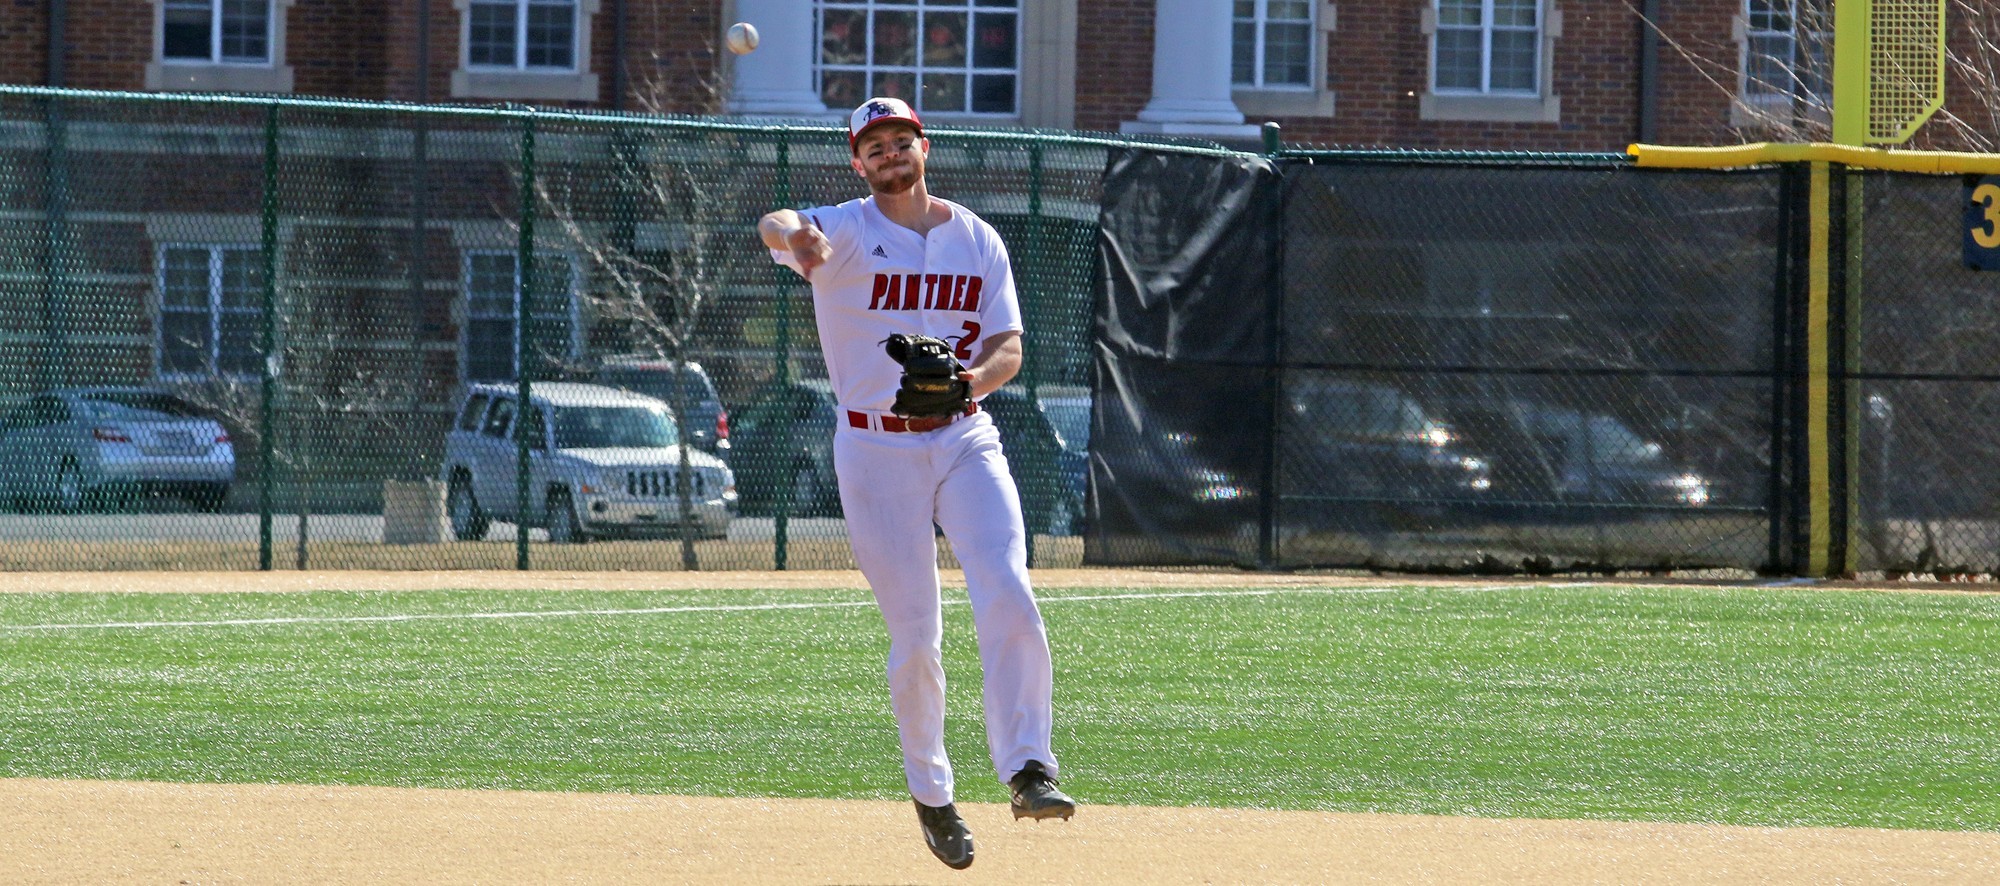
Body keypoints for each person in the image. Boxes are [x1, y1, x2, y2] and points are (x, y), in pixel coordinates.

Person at [755, 97, 1075, 871]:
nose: (891, 153)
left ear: (925, 147)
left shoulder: (977, 237)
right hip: (874, 453)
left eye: (902, 140)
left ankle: (1030, 767)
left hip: (964, 435)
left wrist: (969, 385)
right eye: (875, 147)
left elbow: (1009, 346)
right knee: (917, 640)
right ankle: (933, 795)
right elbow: (778, 224)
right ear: (858, 165)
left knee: (1007, 585)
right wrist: (790, 232)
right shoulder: (845, 231)